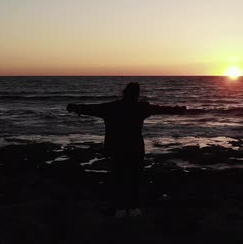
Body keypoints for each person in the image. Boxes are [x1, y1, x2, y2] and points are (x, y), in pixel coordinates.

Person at [67, 82, 186, 217]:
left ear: (125, 92)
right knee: (134, 179)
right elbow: (161, 109)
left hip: (117, 148)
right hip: (135, 147)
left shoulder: (112, 107)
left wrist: (75, 107)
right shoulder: (141, 108)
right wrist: (178, 109)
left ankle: (119, 208)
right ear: (137, 94)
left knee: (118, 178)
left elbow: (91, 109)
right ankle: (133, 208)